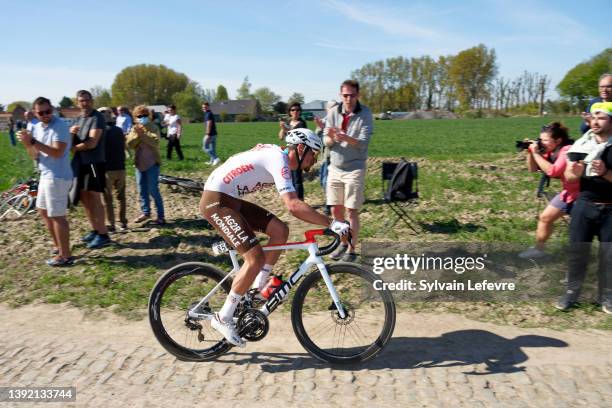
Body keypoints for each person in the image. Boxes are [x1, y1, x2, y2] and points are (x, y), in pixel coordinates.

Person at [199, 128, 351, 346]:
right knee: (255, 258)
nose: (314, 160)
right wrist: (331, 223)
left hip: (229, 199)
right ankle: (222, 317)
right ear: (300, 148)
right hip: (217, 201)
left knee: (280, 231)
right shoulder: (278, 159)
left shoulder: (277, 156)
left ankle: (257, 289)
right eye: (313, 154)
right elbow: (293, 205)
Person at [560, 102, 612, 314]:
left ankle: (607, 297)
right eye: (593, 117)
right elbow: (568, 177)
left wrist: (605, 173)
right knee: (577, 251)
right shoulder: (582, 144)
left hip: (611, 208)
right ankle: (571, 293)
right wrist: (576, 171)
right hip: (584, 205)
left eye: (601, 117)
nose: (595, 121)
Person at [18, 97, 73, 266]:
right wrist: (27, 144)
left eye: (48, 111)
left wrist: (33, 141)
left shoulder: (60, 126)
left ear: (53, 110)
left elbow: (57, 152)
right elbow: (35, 155)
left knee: (57, 216)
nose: (45, 115)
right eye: (41, 113)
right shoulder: (37, 127)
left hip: (58, 176)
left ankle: (65, 256)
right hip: (46, 174)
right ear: (35, 113)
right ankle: (59, 246)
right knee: (42, 210)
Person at [323, 79, 373, 262]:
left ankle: (351, 251)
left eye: (352, 95)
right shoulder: (334, 112)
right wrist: (331, 138)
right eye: (345, 95)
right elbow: (326, 142)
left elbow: (363, 142)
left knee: (351, 211)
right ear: (340, 95)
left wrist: (345, 138)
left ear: (358, 95)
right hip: (334, 168)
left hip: (354, 168)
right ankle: (342, 242)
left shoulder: (365, 114)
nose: (348, 99)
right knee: (336, 210)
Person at [518, 123, 578, 258]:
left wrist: (536, 153)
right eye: (540, 139)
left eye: (545, 140)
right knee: (545, 218)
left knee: (585, 228)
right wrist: (530, 152)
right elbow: (532, 169)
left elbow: (553, 170)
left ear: (558, 141)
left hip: (583, 195)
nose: (541, 142)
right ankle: (539, 250)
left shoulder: (567, 150)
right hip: (568, 193)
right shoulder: (551, 151)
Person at [71, 89, 110, 249]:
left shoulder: (97, 118)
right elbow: (73, 140)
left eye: (87, 100)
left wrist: (73, 149)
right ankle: (95, 229)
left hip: (94, 163)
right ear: (77, 102)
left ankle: (103, 234)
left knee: (95, 198)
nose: (85, 103)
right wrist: (70, 135)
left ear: (92, 101)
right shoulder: (78, 119)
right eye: (82, 101)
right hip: (81, 163)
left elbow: (92, 142)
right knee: (84, 198)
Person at [126, 105, 165, 225]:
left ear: (149, 116)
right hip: (139, 164)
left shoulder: (153, 128)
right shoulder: (134, 129)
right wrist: (138, 135)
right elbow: (130, 144)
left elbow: (155, 142)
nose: (142, 118)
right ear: (135, 117)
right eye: (139, 116)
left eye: (144, 115)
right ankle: (146, 212)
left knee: (153, 190)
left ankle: (161, 216)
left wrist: (143, 135)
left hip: (152, 163)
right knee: (142, 190)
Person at [99, 107, 128, 232]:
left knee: (107, 198)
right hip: (121, 168)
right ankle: (123, 222)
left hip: (107, 170)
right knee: (121, 197)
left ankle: (111, 224)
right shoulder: (119, 131)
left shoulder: (101, 132)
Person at [278, 103, 307, 199]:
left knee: (297, 178)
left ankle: (300, 200)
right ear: (289, 112)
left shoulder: (302, 123)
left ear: (300, 112)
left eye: (298, 110)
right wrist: (282, 129)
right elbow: (281, 137)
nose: (295, 112)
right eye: (293, 110)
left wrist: (286, 128)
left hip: (297, 153)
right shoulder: (288, 123)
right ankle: (293, 199)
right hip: (287, 152)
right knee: (289, 178)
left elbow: (296, 135)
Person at [314, 100, 338, 216]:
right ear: (326, 110)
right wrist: (320, 128)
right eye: (332, 108)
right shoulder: (323, 121)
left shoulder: (340, 122)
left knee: (327, 182)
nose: (334, 110)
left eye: (336, 107)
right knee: (323, 182)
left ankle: (329, 205)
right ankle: (332, 202)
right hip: (325, 158)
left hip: (335, 158)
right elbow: (317, 138)